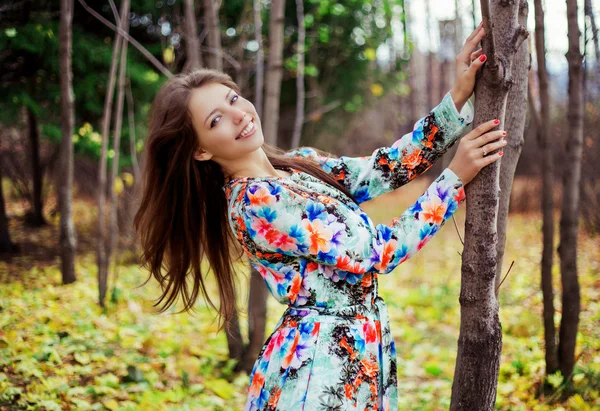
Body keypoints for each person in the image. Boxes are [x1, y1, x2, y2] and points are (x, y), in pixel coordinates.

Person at [134, 21, 505, 411]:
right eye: (215, 120)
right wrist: (453, 180)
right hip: (319, 371)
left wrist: (457, 96)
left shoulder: (300, 165)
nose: (238, 114)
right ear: (201, 151)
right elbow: (376, 252)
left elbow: (384, 168)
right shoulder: (256, 203)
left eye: (233, 98)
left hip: (359, 351)